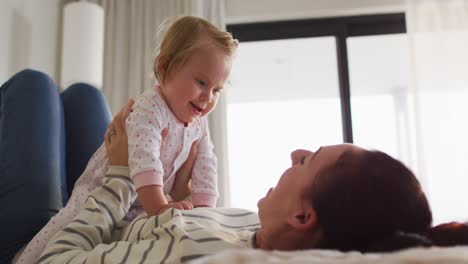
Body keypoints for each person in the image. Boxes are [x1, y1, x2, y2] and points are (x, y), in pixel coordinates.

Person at [36, 101, 468, 263]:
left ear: (303, 216)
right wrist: (176, 197)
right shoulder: (251, 225)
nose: (296, 152)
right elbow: (167, 223)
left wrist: (118, 175)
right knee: (83, 98)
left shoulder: (197, 255)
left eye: (310, 159)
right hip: (113, 213)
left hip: (53, 237)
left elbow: (53, 259)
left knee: (35, 89)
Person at [17, 15, 238, 263]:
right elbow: (145, 160)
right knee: (66, 221)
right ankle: (27, 258)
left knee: (56, 90)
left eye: (217, 90)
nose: (208, 97)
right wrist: (159, 208)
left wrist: (204, 212)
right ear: (164, 68)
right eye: (201, 82)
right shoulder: (150, 107)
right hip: (101, 191)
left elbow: (207, 166)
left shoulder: (199, 124)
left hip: (138, 207)